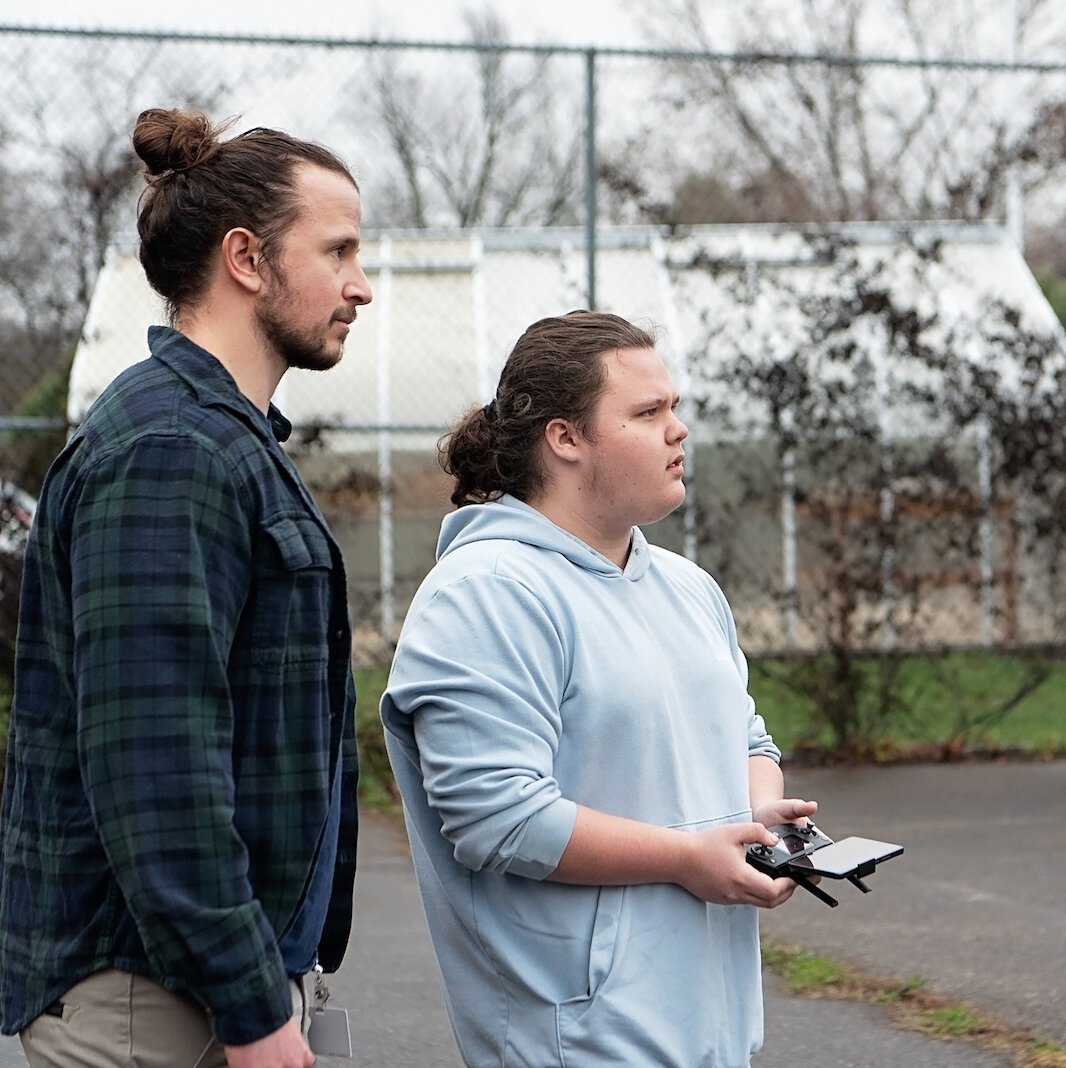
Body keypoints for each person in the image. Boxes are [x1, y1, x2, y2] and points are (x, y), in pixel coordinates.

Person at [0, 107, 372, 1068]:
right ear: (247, 259)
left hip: (201, 991)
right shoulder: (172, 450)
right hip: (153, 1007)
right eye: (337, 251)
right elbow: (155, 767)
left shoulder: (223, 441)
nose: (360, 285)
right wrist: (251, 1009)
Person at [382, 310, 818, 1067]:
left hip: (715, 1034)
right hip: (578, 1043)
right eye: (648, 413)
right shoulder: (485, 593)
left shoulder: (687, 587)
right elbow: (499, 819)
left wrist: (753, 810)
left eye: (674, 408)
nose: (679, 430)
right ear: (566, 438)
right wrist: (686, 856)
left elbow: (748, 740)